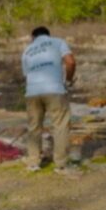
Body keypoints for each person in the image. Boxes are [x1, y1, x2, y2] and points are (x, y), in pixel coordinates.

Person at [21, 26, 75, 172]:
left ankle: (33, 163)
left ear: (33, 37)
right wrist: (68, 81)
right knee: (60, 125)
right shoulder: (58, 42)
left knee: (34, 127)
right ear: (48, 35)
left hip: (32, 91)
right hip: (54, 89)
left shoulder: (27, 50)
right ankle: (61, 165)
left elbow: (27, 74)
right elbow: (70, 62)